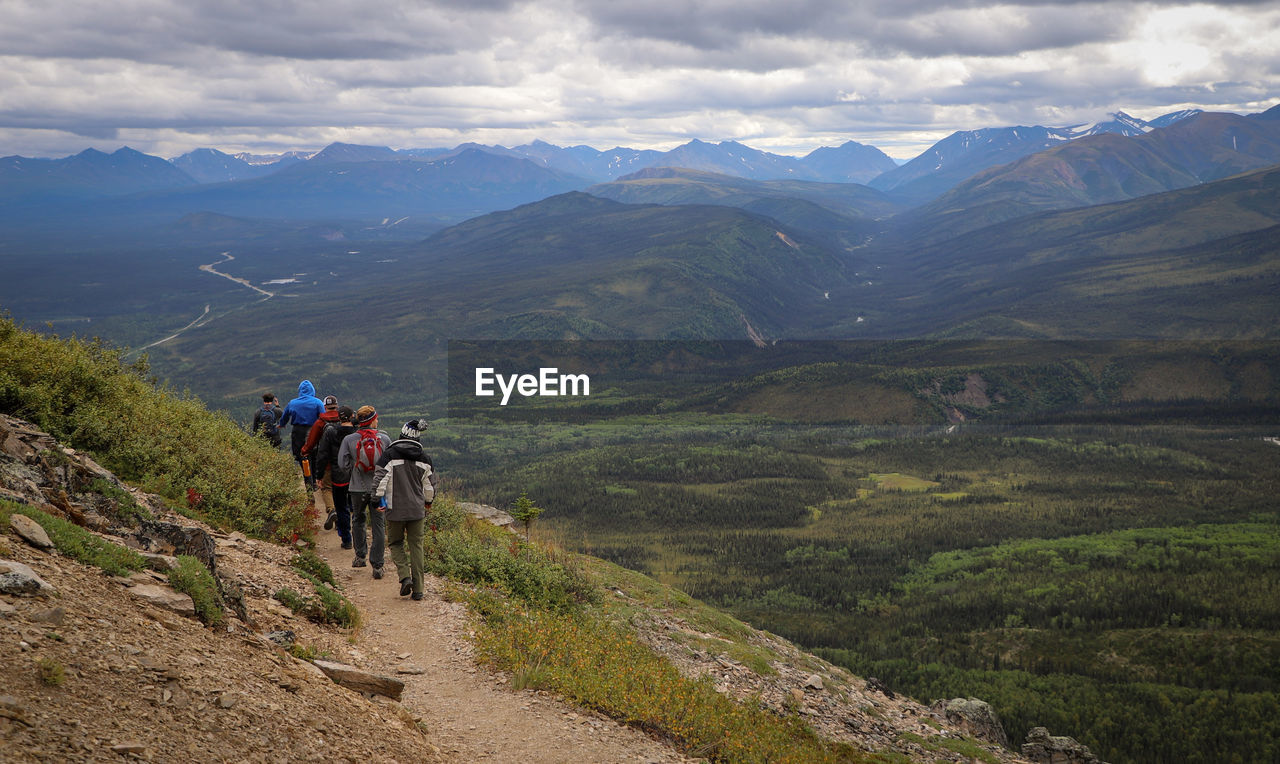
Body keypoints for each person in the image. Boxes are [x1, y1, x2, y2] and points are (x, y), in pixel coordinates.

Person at [372, 418, 437, 601]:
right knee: (416, 546)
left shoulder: (389, 455)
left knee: (395, 543)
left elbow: (380, 480)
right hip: (417, 510)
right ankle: (418, 589)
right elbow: (430, 487)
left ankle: (404, 576)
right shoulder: (424, 459)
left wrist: (375, 500)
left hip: (395, 509)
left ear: (401, 435)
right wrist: (428, 502)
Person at [340, 406, 391, 578]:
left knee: (358, 519)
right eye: (376, 418)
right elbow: (389, 465)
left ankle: (360, 556)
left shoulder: (349, 439)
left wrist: (353, 473)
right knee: (378, 524)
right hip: (379, 490)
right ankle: (377, 566)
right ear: (372, 420)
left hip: (357, 487)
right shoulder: (384, 439)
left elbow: (342, 464)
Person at [315, 405, 356, 550]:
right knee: (356, 508)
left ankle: (346, 539)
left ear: (339, 418)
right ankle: (359, 539)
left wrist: (319, 475)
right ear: (352, 417)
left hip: (338, 475)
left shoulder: (331, 431)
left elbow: (323, 454)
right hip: (356, 476)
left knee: (341, 508)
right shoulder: (357, 432)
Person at [302, 395, 342, 527]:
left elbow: (312, 441)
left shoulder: (320, 422)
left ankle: (331, 510)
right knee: (342, 490)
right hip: (344, 462)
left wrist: (304, 451)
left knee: (327, 488)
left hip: (328, 463)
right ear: (337, 405)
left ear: (325, 407)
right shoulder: (345, 419)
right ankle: (342, 518)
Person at [277, 381, 325, 481]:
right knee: (314, 454)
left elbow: (284, 416)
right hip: (313, 431)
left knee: (301, 455)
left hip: (297, 432)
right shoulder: (317, 402)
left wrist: (281, 425)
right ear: (312, 390)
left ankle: (307, 477)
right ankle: (314, 479)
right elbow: (323, 417)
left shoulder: (292, 403)